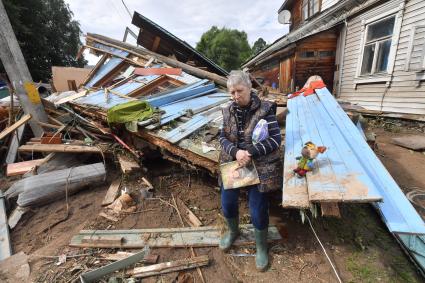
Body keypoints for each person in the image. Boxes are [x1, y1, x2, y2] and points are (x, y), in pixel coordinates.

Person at [219, 70, 283, 271]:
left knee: (257, 209)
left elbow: (275, 140)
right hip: (235, 163)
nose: (236, 96)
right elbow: (222, 137)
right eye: (232, 92)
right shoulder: (228, 110)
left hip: (259, 165)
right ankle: (233, 231)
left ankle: (261, 247)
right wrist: (236, 152)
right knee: (227, 203)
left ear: (249, 88)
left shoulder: (265, 109)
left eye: (239, 90)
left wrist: (250, 152)